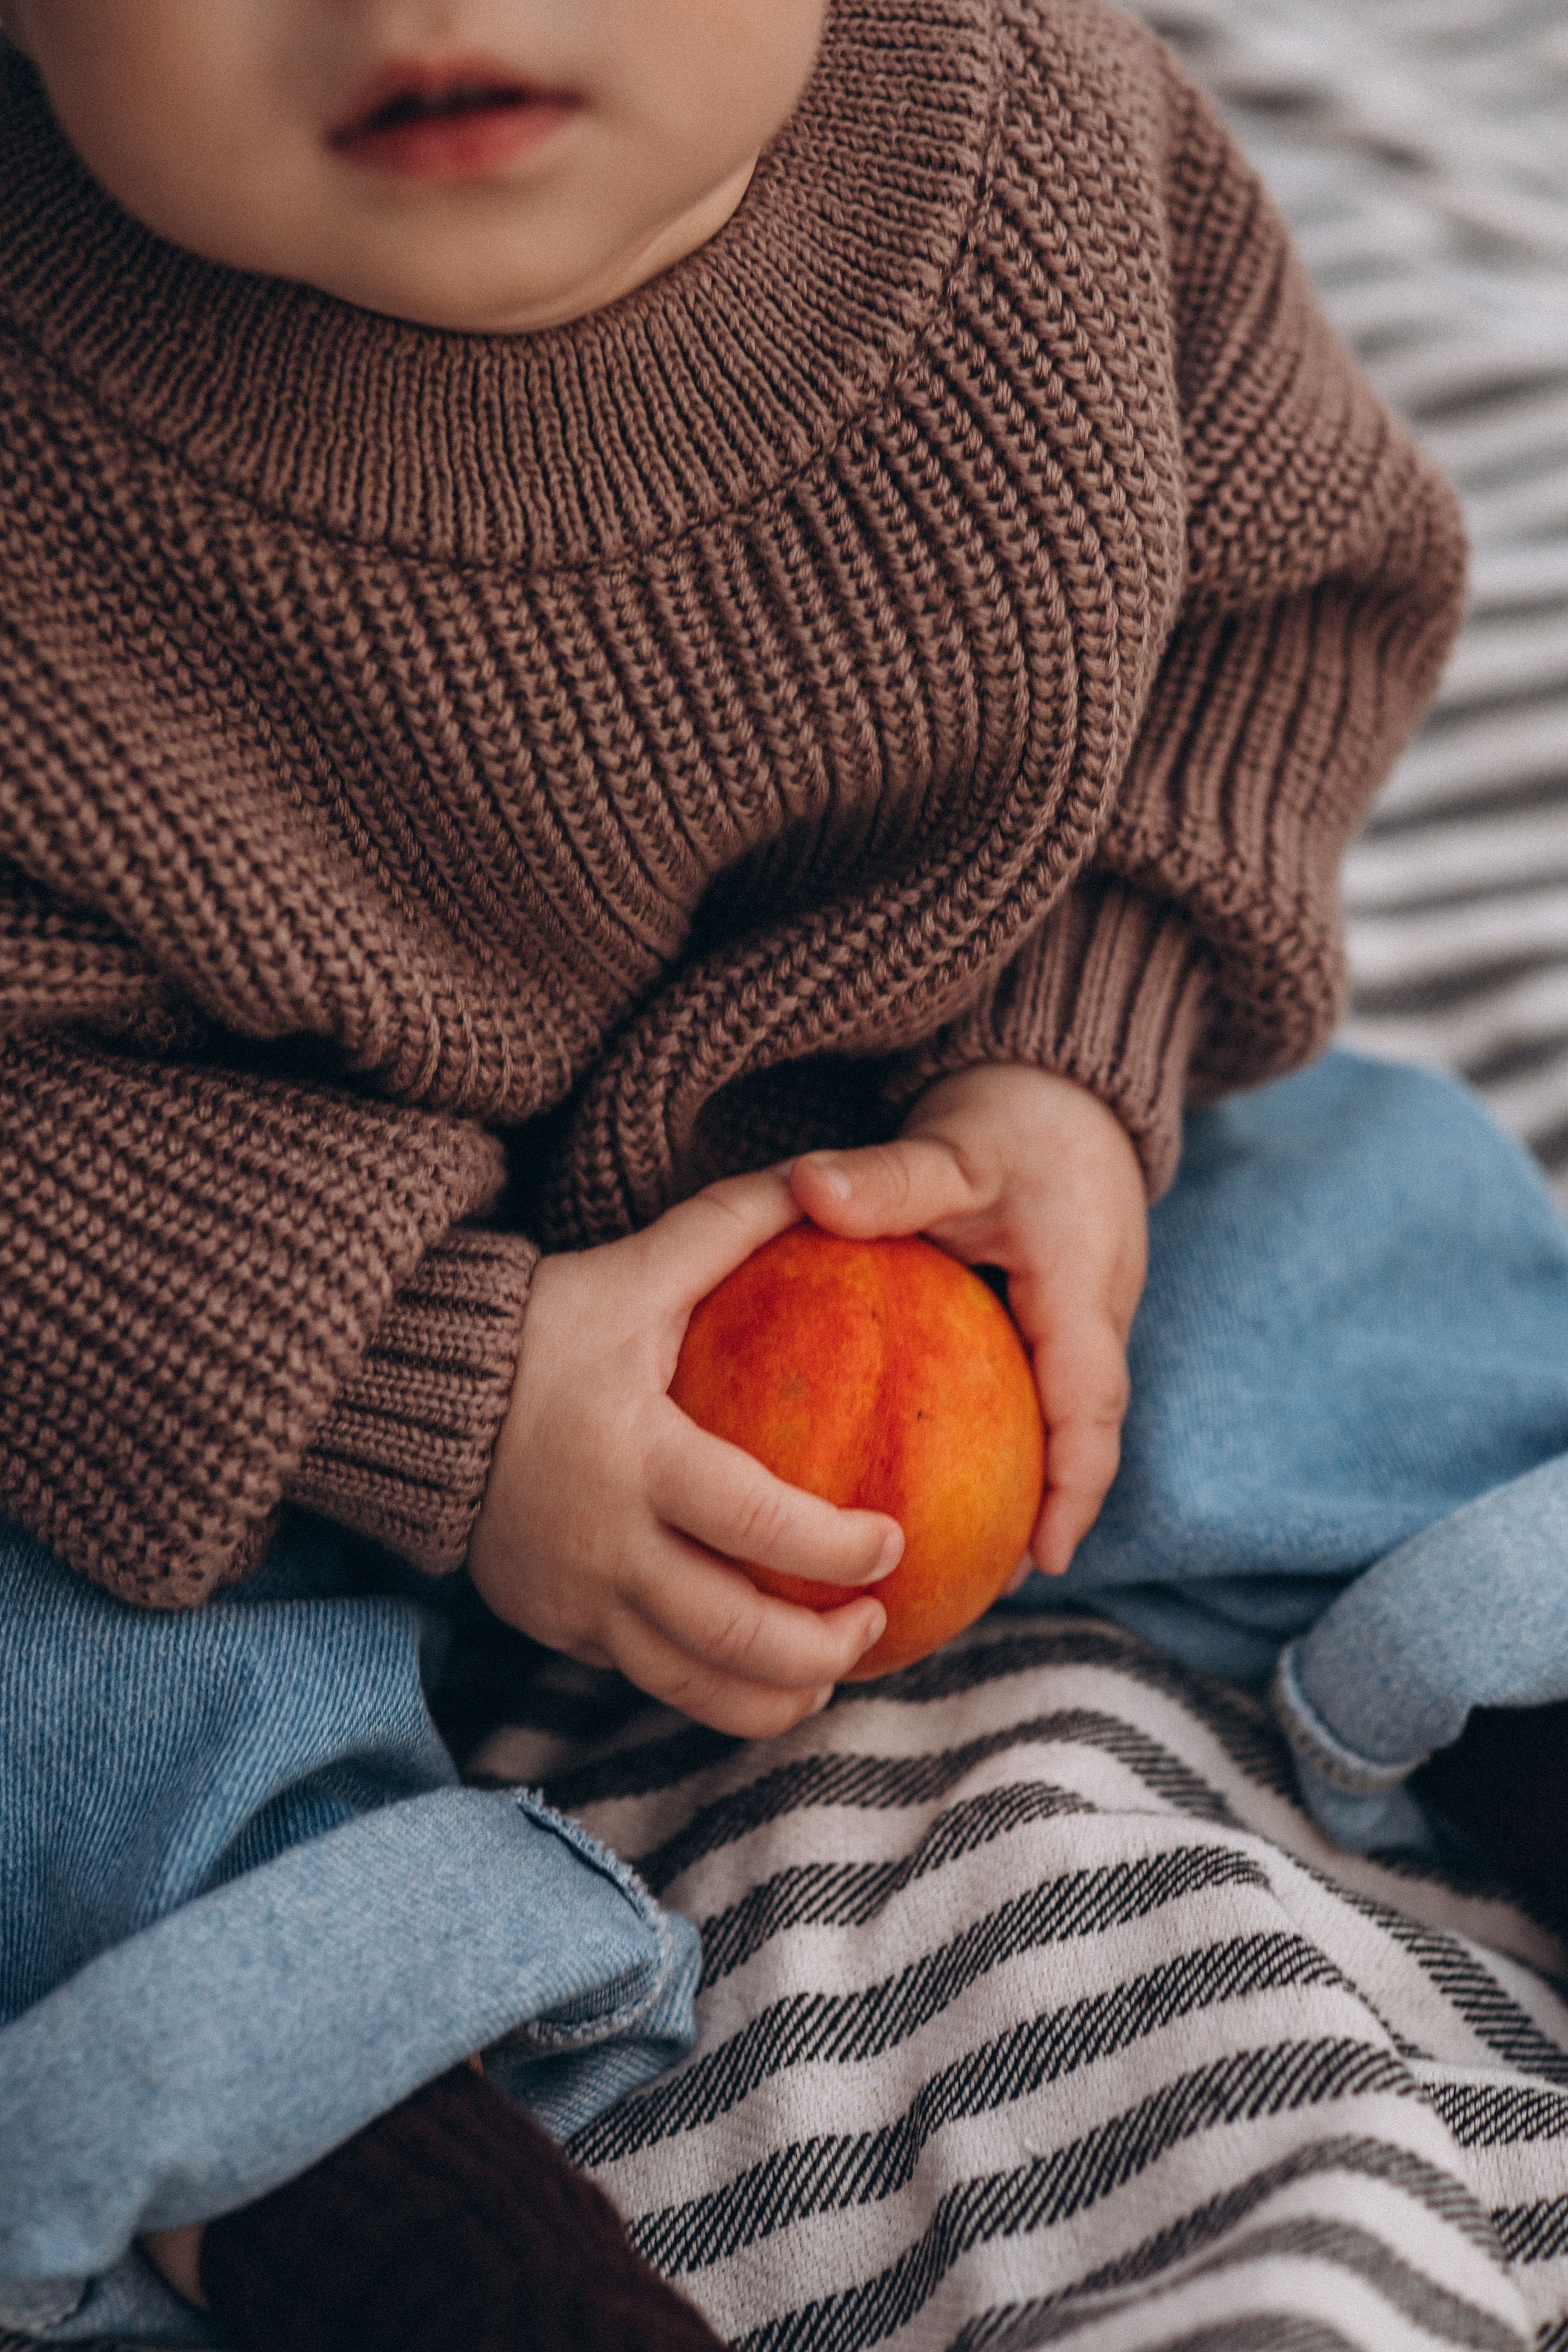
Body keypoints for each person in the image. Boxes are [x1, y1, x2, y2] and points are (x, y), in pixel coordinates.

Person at [0, 0, 1495, 2345]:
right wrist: (431, 1383)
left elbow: (1274, 612)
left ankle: (1522, 1680)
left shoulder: (1034, 139)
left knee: (1374, 1212)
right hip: (219, 1296)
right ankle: (368, 2186)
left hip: (923, 1137)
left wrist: (1072, 1069)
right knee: (58, 1690)